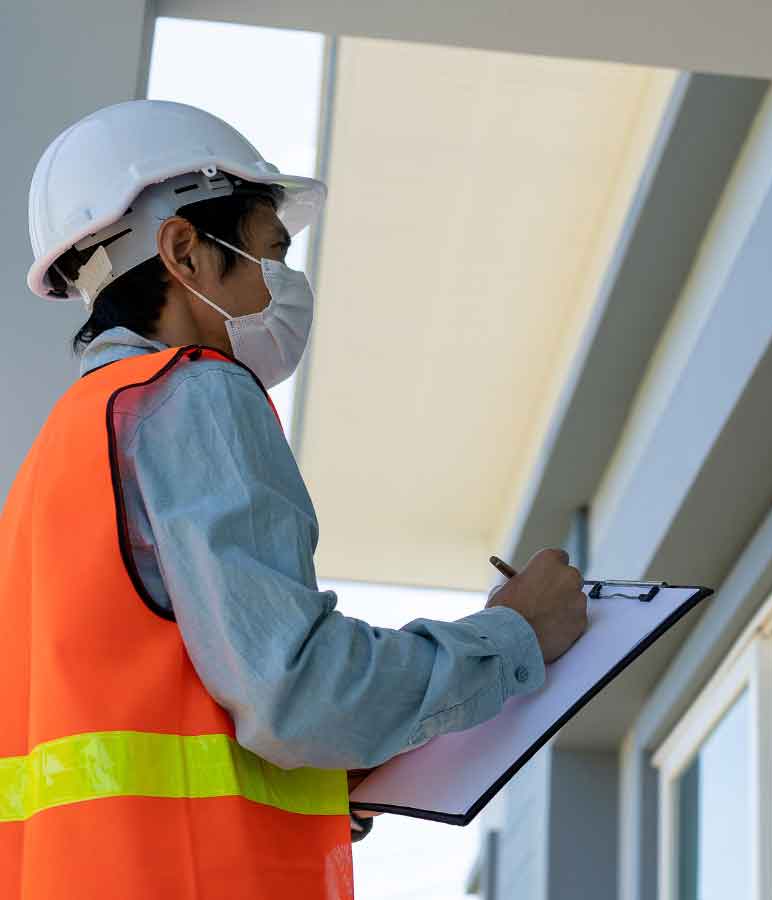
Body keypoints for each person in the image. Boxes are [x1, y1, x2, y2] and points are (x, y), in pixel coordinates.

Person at [0, 100, 589, 899]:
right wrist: (518, 632)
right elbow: (296, 696)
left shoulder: (56, 458)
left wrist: (331, 778)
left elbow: (157, 727)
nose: (286, 282)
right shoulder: (195, 394)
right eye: (272, 251)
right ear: (185, 252)